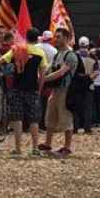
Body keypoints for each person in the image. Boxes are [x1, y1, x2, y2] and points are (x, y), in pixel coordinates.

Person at [0, 28, 47, 156]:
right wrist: (40, 88)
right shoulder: (40, 53)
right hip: (32, 88)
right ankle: (35, 148)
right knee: (33, 119)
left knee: (17, 118)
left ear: (26, 37)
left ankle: (18, 148)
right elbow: (42, 74)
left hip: (16, 88)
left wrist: (4, 73)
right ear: (37, 39)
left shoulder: (16, 49)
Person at [40, 28, 79, 157]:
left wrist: (43, 79)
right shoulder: (57, 54)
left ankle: (67, 147)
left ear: (67, 38)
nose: (56, 39)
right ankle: (47, 143)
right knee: (50, 117)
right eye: (55, 37)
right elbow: (50, 69)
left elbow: (61, 72)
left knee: (66, 118)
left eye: (59, 37)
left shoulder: (71, 55)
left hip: (66, 91)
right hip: (55, 90)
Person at [73, 37, 98, 133]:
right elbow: (97, 71)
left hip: (77, 84)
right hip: (89, 84)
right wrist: (90, 77)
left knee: (76, 106)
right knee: (88, 106)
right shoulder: (93, 56)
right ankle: (87, 127)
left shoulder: (74, 55)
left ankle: (75, 127)